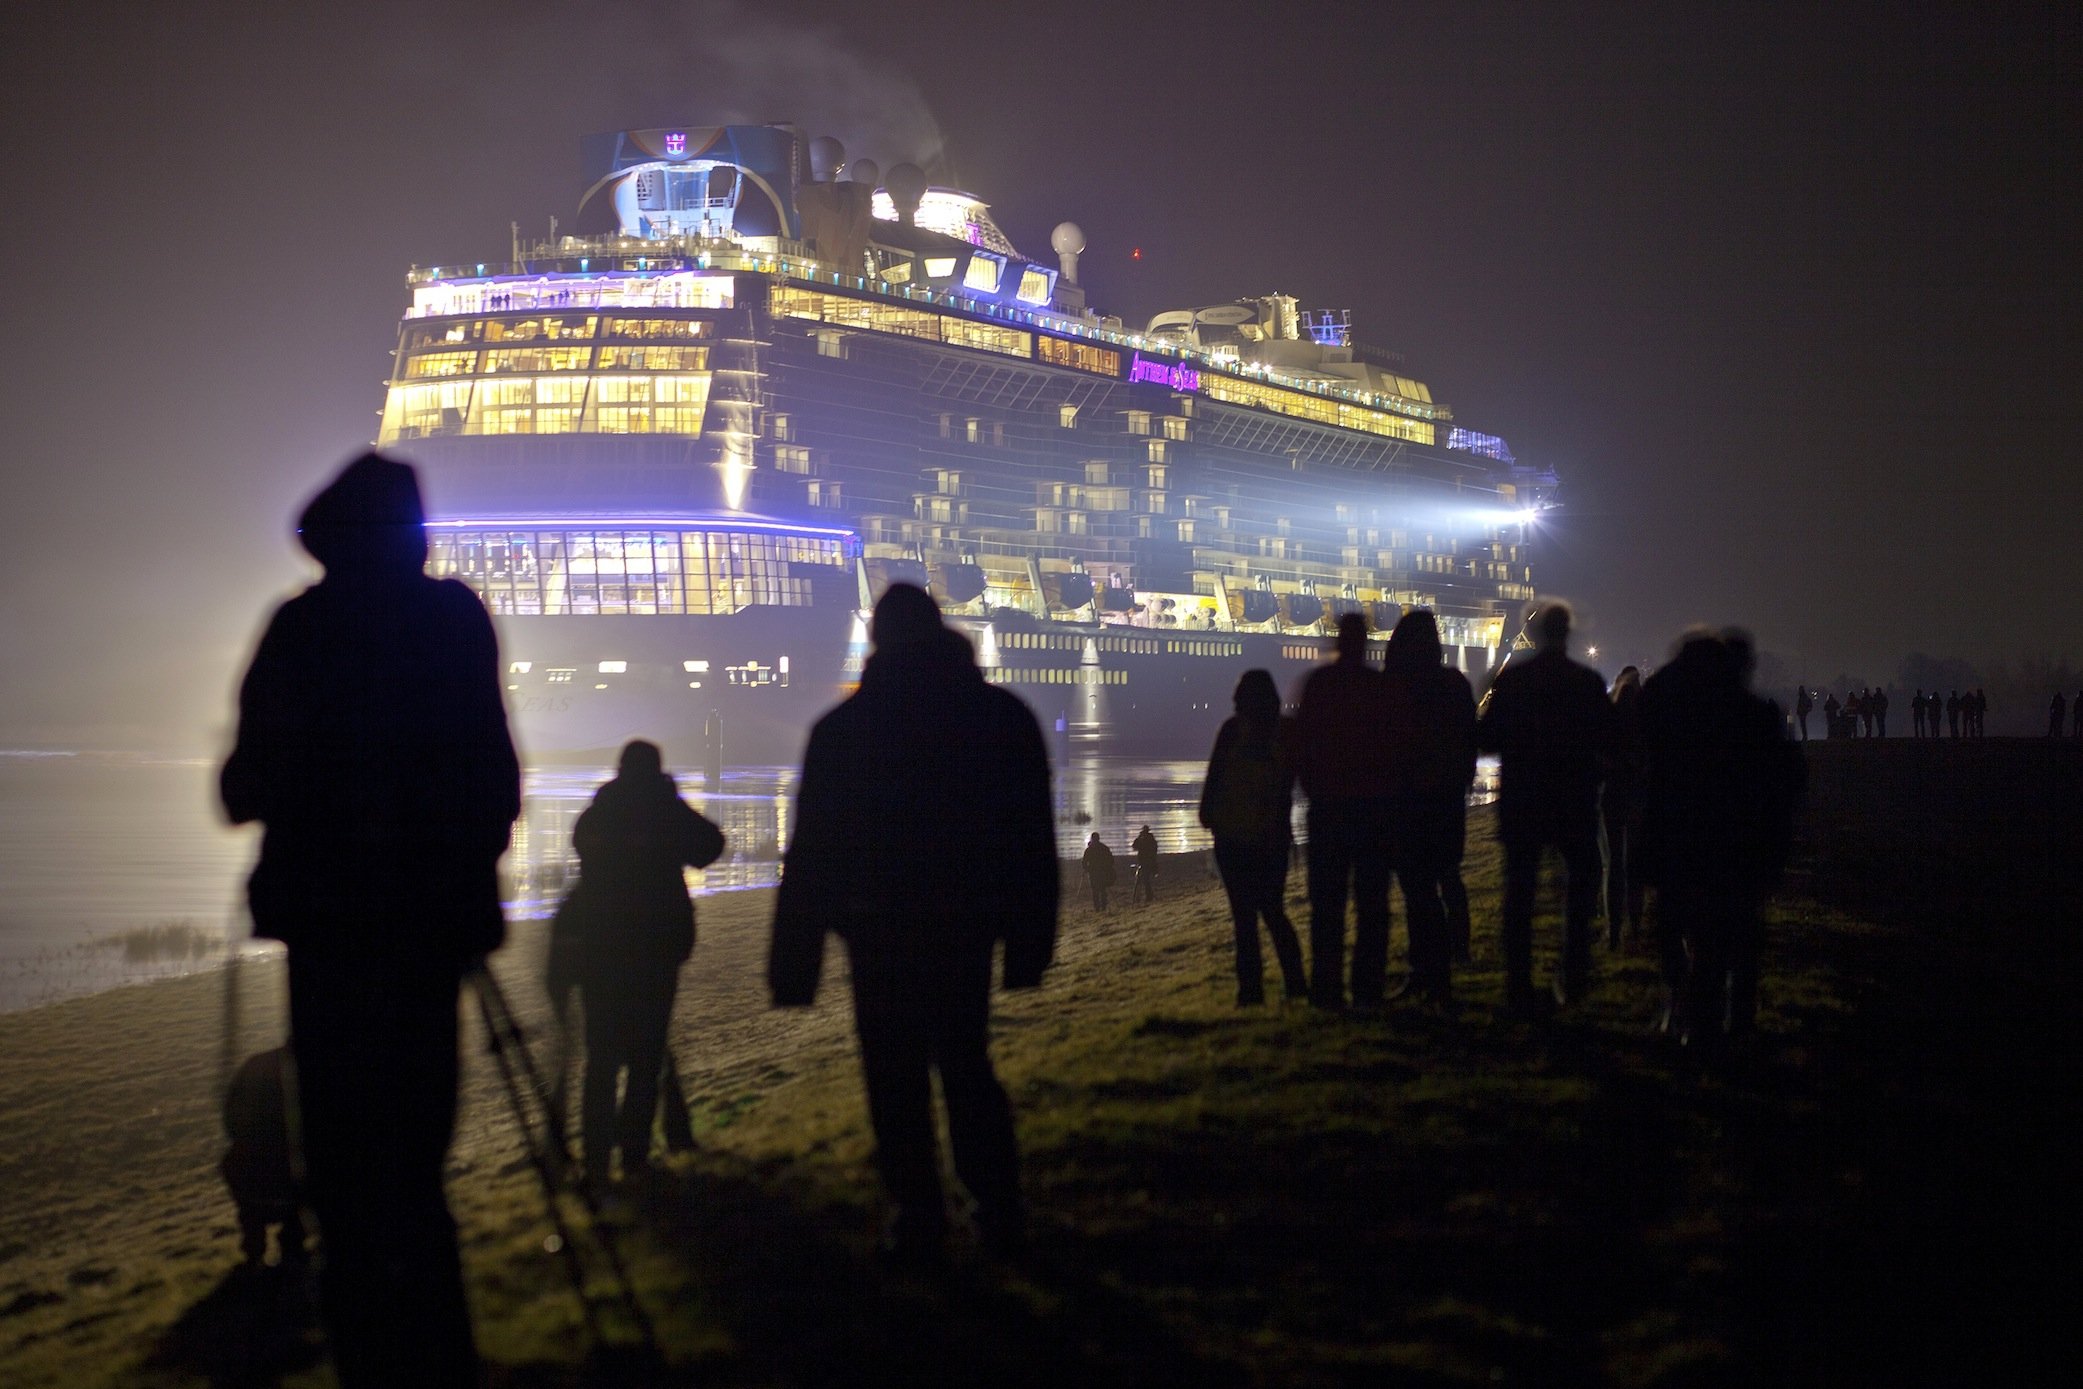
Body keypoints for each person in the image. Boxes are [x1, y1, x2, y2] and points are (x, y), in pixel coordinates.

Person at [221, 453, 519, 1386]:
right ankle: (440, 1354)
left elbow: (242, 787)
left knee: (344, 1173)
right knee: (416, 1164)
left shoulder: (300, 627)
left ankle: (369, 1360)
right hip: (430, 932)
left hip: (332, 936)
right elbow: (495, 779)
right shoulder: (453, 619)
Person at [769, 585, 1057, 1261]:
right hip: (966, 922)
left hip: (877, 927)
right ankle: (996, 1203)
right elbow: (1030, 843)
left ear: (876, 641)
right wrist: (1028, 944)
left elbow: (810, 854)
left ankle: (917, 1211)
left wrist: (795, 963)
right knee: (966, 1059)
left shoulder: (841, 730)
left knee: (891, 1074)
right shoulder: (1001, 717)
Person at [568, 740, 724, 1190]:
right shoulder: (664, 810)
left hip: (601, 947)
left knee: (601, 1058)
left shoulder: (599, 813)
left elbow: (582, 848)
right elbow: (710, 846)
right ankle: (634, 1153)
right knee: (646, 1053)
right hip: (656, 948)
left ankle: (596, 1158)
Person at [1638, 630, 1803, 1054]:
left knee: (1687, 934)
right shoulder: (1755, 716)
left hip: (1683, 847)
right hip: (1740, 848)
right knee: (1732, 939)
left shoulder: (1675, 716)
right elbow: (1786, 782)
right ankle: (1729, 1020)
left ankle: (1695, 1018)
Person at [1476, 601, 1614, 1015]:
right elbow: (1609, 740)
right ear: (1568, 634)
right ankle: (1572, 977)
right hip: (1573, 801)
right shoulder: (1587, 682)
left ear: (1533, 636)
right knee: (1579, 892)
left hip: (1524, 803)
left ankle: (1518, 984)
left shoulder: (1515, 681)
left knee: (1519, 897)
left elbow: (1487, 740)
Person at [1292, 613, 1394, 1009]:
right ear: (1366, 642)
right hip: (1373, 810)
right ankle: (1368, 988)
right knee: (1372, 905)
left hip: (1329, 808)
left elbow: (1302, 744)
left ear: (1337, 641)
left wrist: (1312, 787)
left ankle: (1326, 989)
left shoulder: (1319, 684)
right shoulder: (1379, 686)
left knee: (1327, 905)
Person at [1380, 610, 1477, 1005]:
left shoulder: (1397, 687)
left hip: (1408, 802)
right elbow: (1469, 740)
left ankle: (1431, 975)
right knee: (1438, 883)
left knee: (1418, 892)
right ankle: (1435, 971)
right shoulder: (1454, 684)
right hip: (1447, 800)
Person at [1199, 669, 1307, 1004]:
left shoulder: (1232, 730)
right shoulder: (1286, 731)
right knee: (1273, 911)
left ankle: (1251, 991)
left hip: (1232, 838)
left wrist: (1209, 816)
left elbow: (1214, 776)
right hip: (1271, 838)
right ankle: (1295, 983)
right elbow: (1295, 782)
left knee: (1244, 919)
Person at [1602, 666, 1649, 948]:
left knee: (1614, 864)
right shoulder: (1645, 717)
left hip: (1612, 795)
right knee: (1634, 863)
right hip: (1637, 795)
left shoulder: (1610, 715)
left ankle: (1614, 930)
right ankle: (1635, 924)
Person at [1083, 832, 1117, 911]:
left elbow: (1084, 862)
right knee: (1101, 889)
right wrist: (1108, 867)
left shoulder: (1089, 849)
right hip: (1101, 872)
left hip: (1095, 872)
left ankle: (1098, 907)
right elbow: (1111, 860)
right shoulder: (1104, 848)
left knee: (1096, 890)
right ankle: (1102, 907)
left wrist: (1087, 869)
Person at [1130, 824, 1160, 903]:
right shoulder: (1151, 840)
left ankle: (1148, 896)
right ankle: (1147, 896)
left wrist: (1139, 838)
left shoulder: (1145, 840)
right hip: (1149, 861)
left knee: (1145, 879)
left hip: (1146, 862)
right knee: (1145, 879)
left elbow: (1134, 846)